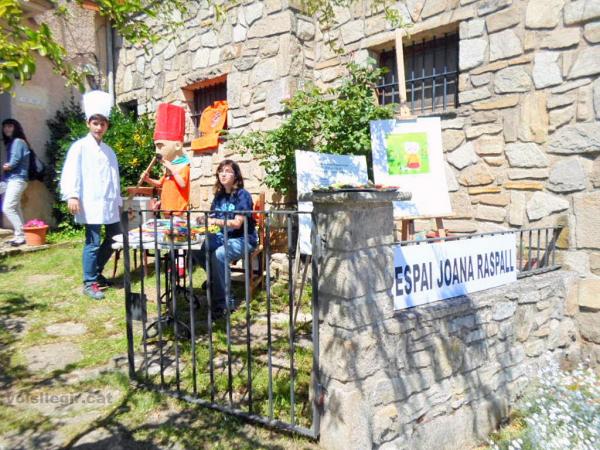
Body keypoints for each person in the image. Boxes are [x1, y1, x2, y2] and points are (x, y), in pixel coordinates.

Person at [60, 91, 122, 300]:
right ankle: (89, 282)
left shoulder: (109, 151)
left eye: (102, 123)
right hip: (89, 202)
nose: (99, 127)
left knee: (115, 238)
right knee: (93, 242)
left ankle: (96, 273)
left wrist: (119, 201)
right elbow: (71, 172)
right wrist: (72, 195)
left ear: (106, 126)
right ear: (88, 123)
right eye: (95, 123)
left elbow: (115, 179)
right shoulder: (79, 147)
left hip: (109, 203)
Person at [195, 159, 258, 317]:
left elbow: (237, 224)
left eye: (228, 171)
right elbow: (212, 217)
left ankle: (223, 302)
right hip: (221, 236)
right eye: (221, 171)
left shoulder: (242, 196)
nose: (223, 174)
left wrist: (214, 221)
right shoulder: (219, 196)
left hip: (243, 238)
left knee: (219, 254)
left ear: (236, 176)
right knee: (195, 247)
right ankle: (216, 280)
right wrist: (203, 220)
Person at [140, 103, 190, 215]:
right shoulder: (169, 167)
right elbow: (160, 184)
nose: (157, 151)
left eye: (160, 146)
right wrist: (148, 180)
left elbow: (182, 184)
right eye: (156, 147)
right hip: (166, 209)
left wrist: (172, 169)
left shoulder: (183, 166)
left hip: (178, 211)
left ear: (177, 146)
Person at [1, 119, 31, 247]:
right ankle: (21, 235)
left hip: (17, 179)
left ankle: (20, 235)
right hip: (13, 179)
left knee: (8, 207)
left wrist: (7, 166)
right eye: (5, 127)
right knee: (16, 207)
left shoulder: (18, 141)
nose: (7, 129)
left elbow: (14, 161)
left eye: (9, 126)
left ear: (15, 128)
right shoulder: (13, 142)